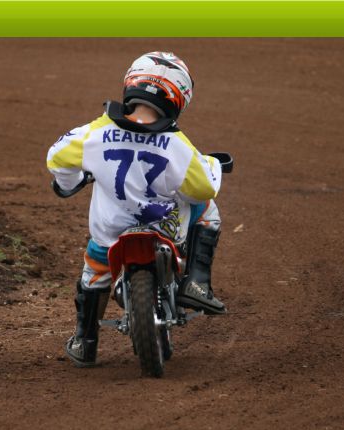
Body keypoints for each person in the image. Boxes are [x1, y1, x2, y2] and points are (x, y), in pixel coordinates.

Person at [47, 51, 225, 367]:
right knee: (207, 210)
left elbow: (57, 157)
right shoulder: (177, 144)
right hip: (165, 227)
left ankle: (85, 340)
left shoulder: (95, 132)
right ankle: (197, 283)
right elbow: (202, 189)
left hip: (110, 233)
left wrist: (70, 181)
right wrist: (212, 165)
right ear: (180, 97)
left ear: (131, 83)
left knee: (94, 275)